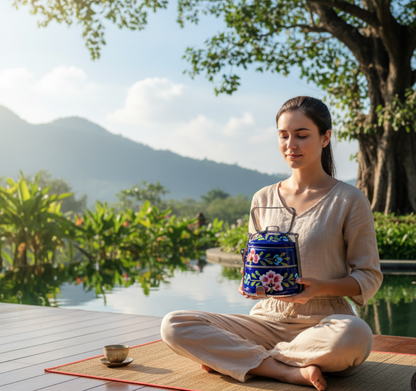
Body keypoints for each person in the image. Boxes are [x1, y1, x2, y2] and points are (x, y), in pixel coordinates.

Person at [161, 96, 383, 391]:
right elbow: (254, 263)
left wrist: (320, 287)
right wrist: (250, 282)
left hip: (325, 324)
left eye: (302, 135)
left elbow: (369, 275)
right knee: (174, 324)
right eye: (284, 135)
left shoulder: (349, 200)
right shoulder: (263, 199)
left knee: (356, 334)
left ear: (325, 137)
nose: (291, 144)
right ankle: (287, 370)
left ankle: (244, 360)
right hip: (266, 322)